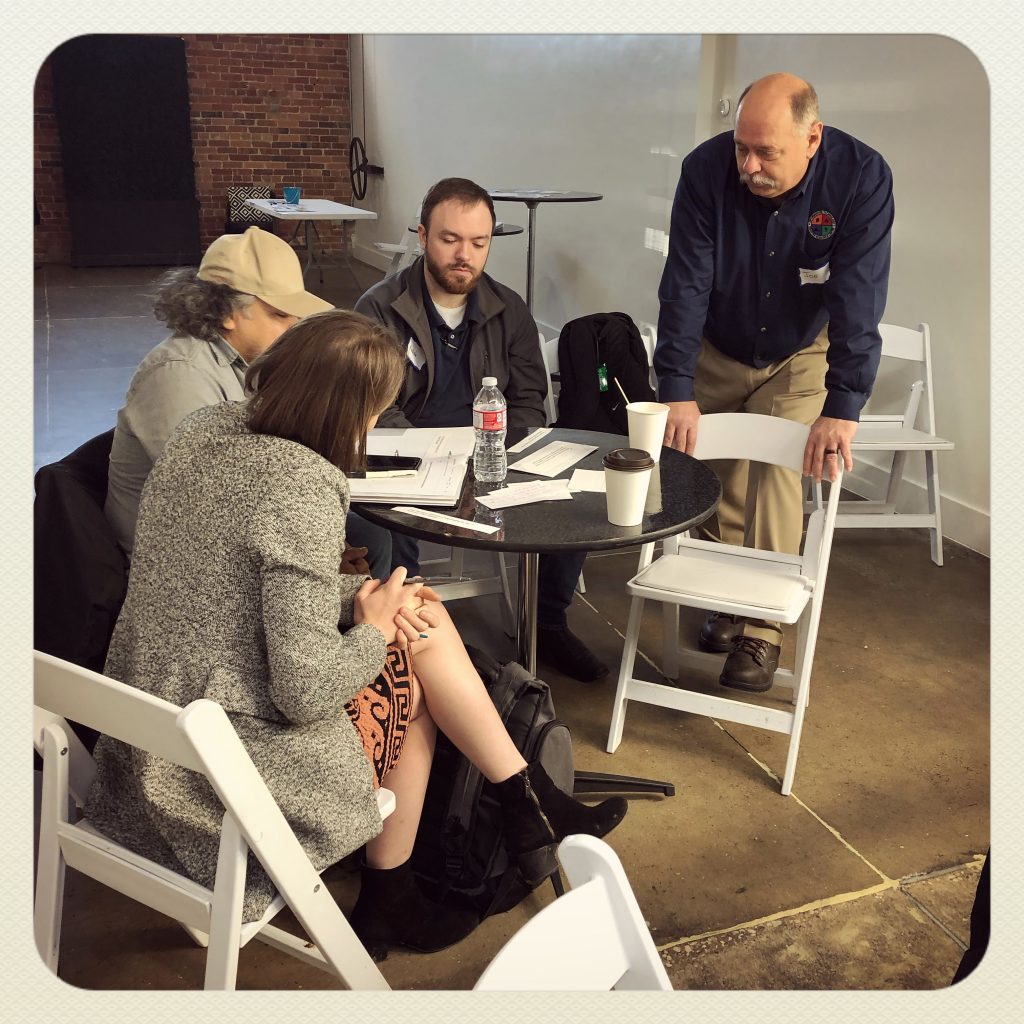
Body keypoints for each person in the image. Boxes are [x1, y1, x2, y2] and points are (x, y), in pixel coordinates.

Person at [84, 309, 627, 960]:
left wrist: (368, 600)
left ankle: (523, 800)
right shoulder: (303, 483)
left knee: (413, 612)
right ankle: (407, 884)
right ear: (351, 414)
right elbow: (304, 693)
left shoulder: (205, 429)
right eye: (374, 415)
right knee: (409, 668)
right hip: (209, 771)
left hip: (142, 725)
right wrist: (370, 627)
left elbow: (229, 581)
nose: (372, 430)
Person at [655, 72, 894, 692]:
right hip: (718, 340)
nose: (750, 166)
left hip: (800, 347)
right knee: (711, 470)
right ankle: (729, 597)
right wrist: (676, 386)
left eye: (766, 153)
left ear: (812, 138)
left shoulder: (861, 177)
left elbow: (859, 294)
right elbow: (685, 282)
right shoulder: (704, 170)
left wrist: (844, 404)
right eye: (742, 149)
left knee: (782, 462)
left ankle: (762, 627)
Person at [355, 177, 606, 682]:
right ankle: (407, 635)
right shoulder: (380, 308)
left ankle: (548, 622)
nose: (463, 256)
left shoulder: (507, 308)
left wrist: (505, 454)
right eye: (450, 240)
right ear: (422, 236)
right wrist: (436, 461)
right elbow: (376, 409)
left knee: (577, 499)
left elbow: (529, 401)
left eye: (478, 242)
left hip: (491, 454)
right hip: (408, 458)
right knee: (388, 520)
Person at [103, 225, 392, 577]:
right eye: (279, 315)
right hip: (178, 562)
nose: (294, 326)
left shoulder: (248, 362)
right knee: (356, 548)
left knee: (371, 537)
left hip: (235, 525)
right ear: (227, 310)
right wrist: (318, 546)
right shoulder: (178, 375)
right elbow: (215, 500)